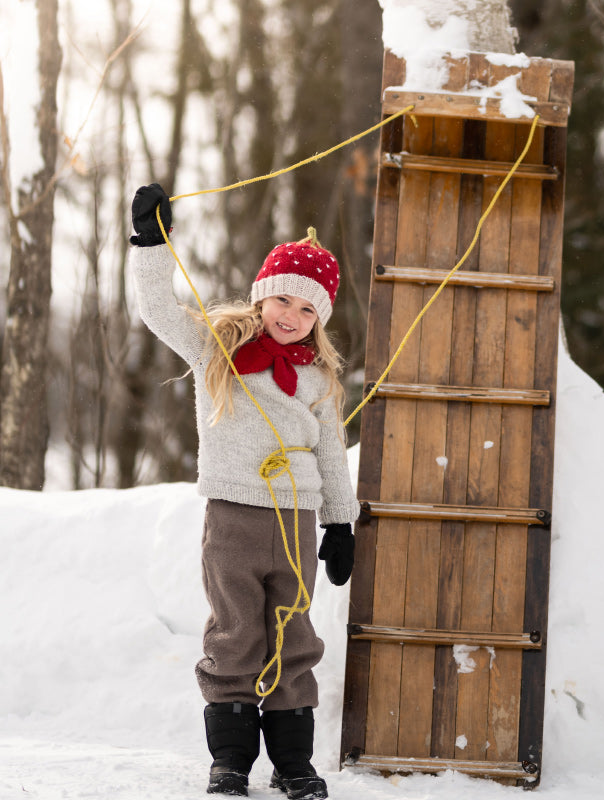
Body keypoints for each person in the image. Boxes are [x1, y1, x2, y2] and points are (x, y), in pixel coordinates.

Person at [129, 183, 360, 799]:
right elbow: (155, 309)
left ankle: (293, 764)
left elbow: (331, 454)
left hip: (296, 523)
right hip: (232, 519)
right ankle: (230, 760)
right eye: (283, 298)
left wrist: (340, 523)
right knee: (235, 636)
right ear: (262, 296)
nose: (291, 315)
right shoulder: (215, 348)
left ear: (320, 319)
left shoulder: (317, 379)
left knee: (292, 635)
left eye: (307, 309)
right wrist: (153, 244)